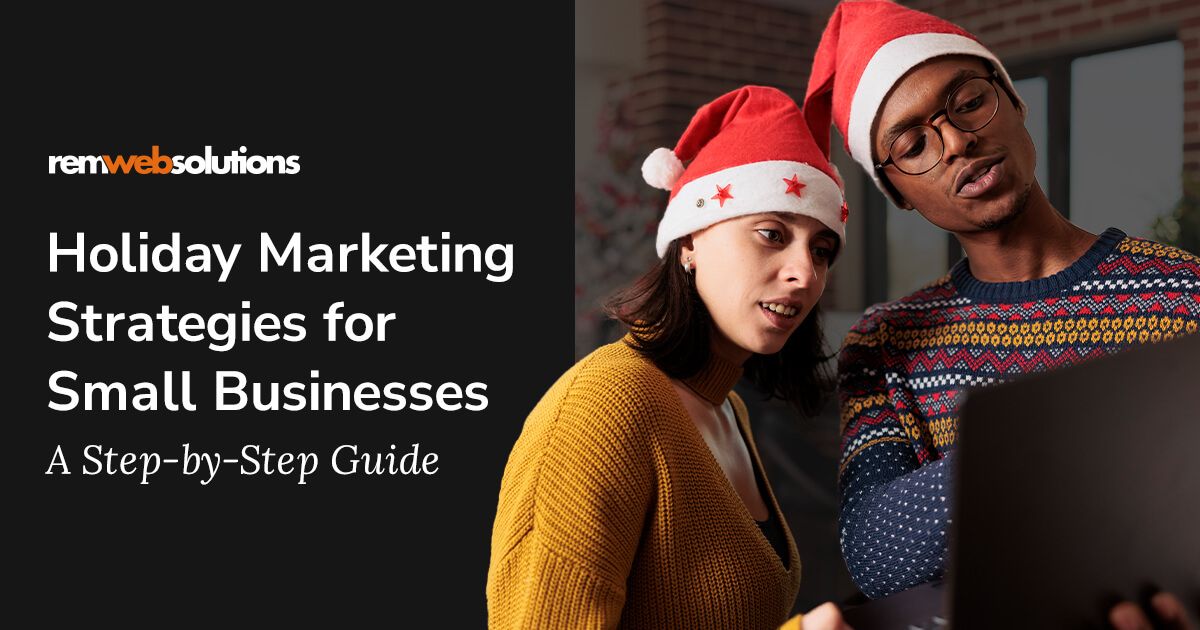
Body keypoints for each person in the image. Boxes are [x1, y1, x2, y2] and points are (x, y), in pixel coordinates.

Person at [803, 0, 1200, 602]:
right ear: (898, 193)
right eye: (913, 145)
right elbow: (875, 553)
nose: (959, 141)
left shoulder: (1183, 293)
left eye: (967, 103)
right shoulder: (884, 344)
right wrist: (1065, 432)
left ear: (1014, 102)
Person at [487, 86, 853, 629]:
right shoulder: (602, 408)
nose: (805, 273)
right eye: (772, 234)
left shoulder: (728, 408)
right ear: (689, 243)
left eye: (821, 250)